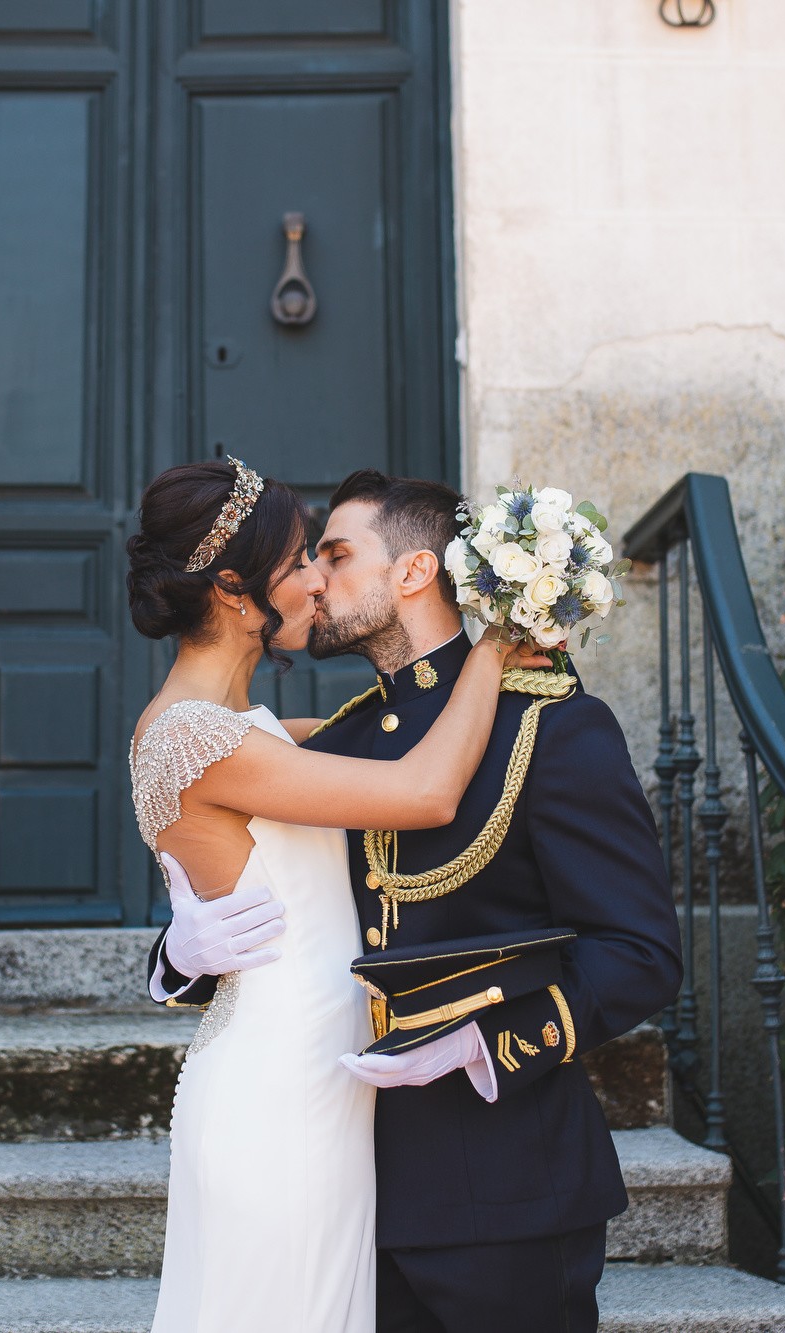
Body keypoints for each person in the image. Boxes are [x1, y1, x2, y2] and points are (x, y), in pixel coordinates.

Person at [153, 469, 682, 1333]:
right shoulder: (342, 741)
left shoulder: (552, 726)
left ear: (414, 571)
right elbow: (252, 871)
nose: (314, 579)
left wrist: (491, 1040)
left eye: (335, 554)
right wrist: (181, 953)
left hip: (507, 1187)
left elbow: (641, 952)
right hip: (343, 1179)